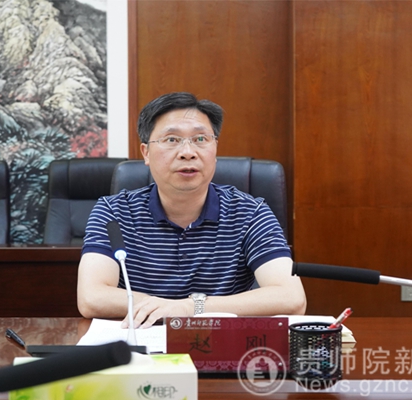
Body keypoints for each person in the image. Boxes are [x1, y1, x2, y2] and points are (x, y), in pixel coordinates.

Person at [77, 92, 306, 327]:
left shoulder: (250, 212)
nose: (188, 152)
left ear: (215, 149)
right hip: (139, 341)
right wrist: (166, 307)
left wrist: (189, 307)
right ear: (146, 153)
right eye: (172, 139)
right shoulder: (113, 211)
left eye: (200, 139)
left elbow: (291, 297)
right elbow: (91, 297)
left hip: (220, 343)